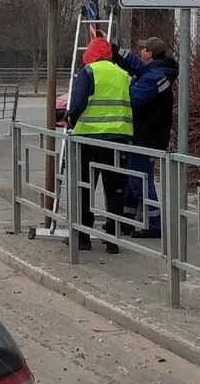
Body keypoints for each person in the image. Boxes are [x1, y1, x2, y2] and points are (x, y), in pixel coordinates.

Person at [65, 36, 133, 254]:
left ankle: (83, 236)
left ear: (90, 54)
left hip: (89, 140)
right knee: (115, 190)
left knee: (84, 187)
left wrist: (70, 119)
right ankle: (113, 238)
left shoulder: (88, 72)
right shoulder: (123, 74)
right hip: (118, 140)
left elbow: (77, 104)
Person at [112, 35, 179, 239]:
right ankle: (128, 220)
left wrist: (119, 88)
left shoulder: (154, 78)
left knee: (139, 180)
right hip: (146, 134)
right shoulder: (156, 71)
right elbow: (134, 63)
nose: (140, 52)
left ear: (149, 53)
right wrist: (114, 49)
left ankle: (154, 225)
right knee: (134, 179)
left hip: (148, 136)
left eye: (143, 49)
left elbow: (132, 99)